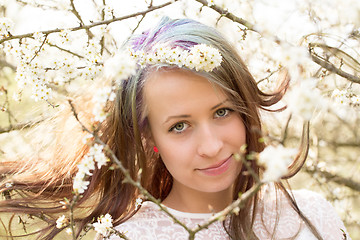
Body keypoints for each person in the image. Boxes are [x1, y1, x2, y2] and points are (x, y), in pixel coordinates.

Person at [0, 17, 351, 240]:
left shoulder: (311, 215)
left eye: (222, 112)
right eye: (180, 126)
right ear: (149, 138)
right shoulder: (132, 238)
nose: (211, 146)